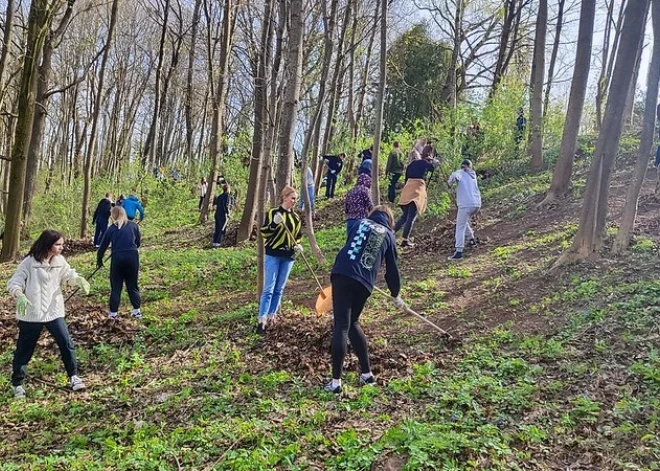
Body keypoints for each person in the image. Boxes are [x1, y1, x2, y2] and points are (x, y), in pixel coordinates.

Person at [323, 206, 402, 394]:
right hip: (364, 282)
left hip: (343, 273)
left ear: (372, 215)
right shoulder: (389, 236)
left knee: (342, 325)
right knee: (352, 323)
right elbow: (392, 270)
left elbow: (352, 246)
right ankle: (367, 374)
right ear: (389, 221)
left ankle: (336, 383)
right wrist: (395, 293)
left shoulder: (359, 223)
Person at [7, 230, 91, 398]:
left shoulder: (60, 261)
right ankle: (17, 384)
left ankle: (73, 377)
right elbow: (14, 282)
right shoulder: (29, 263)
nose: (61, 247)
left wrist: (78, 280)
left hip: (54, 311)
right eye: (58, 244)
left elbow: (68, 275)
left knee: (66, 343)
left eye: (62, 244)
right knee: (24, 350)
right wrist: (20, 295)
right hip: (32, 313)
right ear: (47, 244)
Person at [256, 186, 303, 335]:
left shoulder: (296, 218)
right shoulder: (273, 213)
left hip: (288, 257)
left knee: (279, 289)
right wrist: (274, 224)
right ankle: (261, 320)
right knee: (269, 288)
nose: (294, 201)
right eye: (292, 198)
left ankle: (272, 316)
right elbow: (264, 233)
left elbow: (298, 236)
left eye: (296, 198)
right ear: (284, 198)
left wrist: (298, 245)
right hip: (273, 254)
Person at [97, 206, 142, 319]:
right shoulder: (134, 225)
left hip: (117, 258)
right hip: (132, 256)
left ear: (113, 215)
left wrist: (99, 260)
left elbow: (102, 247)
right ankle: (136, 311)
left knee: (116, 286)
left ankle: (113, 314)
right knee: (132, 285)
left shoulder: (111, 228)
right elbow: (138, 242)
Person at [394, 154, 438, 248]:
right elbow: (432, 167)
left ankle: (391, 232)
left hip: (407, 189)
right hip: (416, 191)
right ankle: (405, 240)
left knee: (405, 217)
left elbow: (406, 179)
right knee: (410, 218)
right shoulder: (424, 162)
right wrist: (434, 161)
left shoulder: (411, 165)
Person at [447, 159, 482, 260]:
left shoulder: (460, 173)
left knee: (460, 227)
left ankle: (458, 252)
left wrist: (449, 184)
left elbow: (453, 177)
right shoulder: (473, 175)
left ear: (462, 166)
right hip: (476, 204)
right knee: (463, 221)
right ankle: (471, 239)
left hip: (466, 204)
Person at [212, 183, 232, 247]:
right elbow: (226, 205)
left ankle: (214, 242)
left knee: (217, 228)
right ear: (228, 189)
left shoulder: (220, 196)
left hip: (217, 214)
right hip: (222, 215)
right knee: (222, 228)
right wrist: (228, 213)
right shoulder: (227, 196)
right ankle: (219, 242)